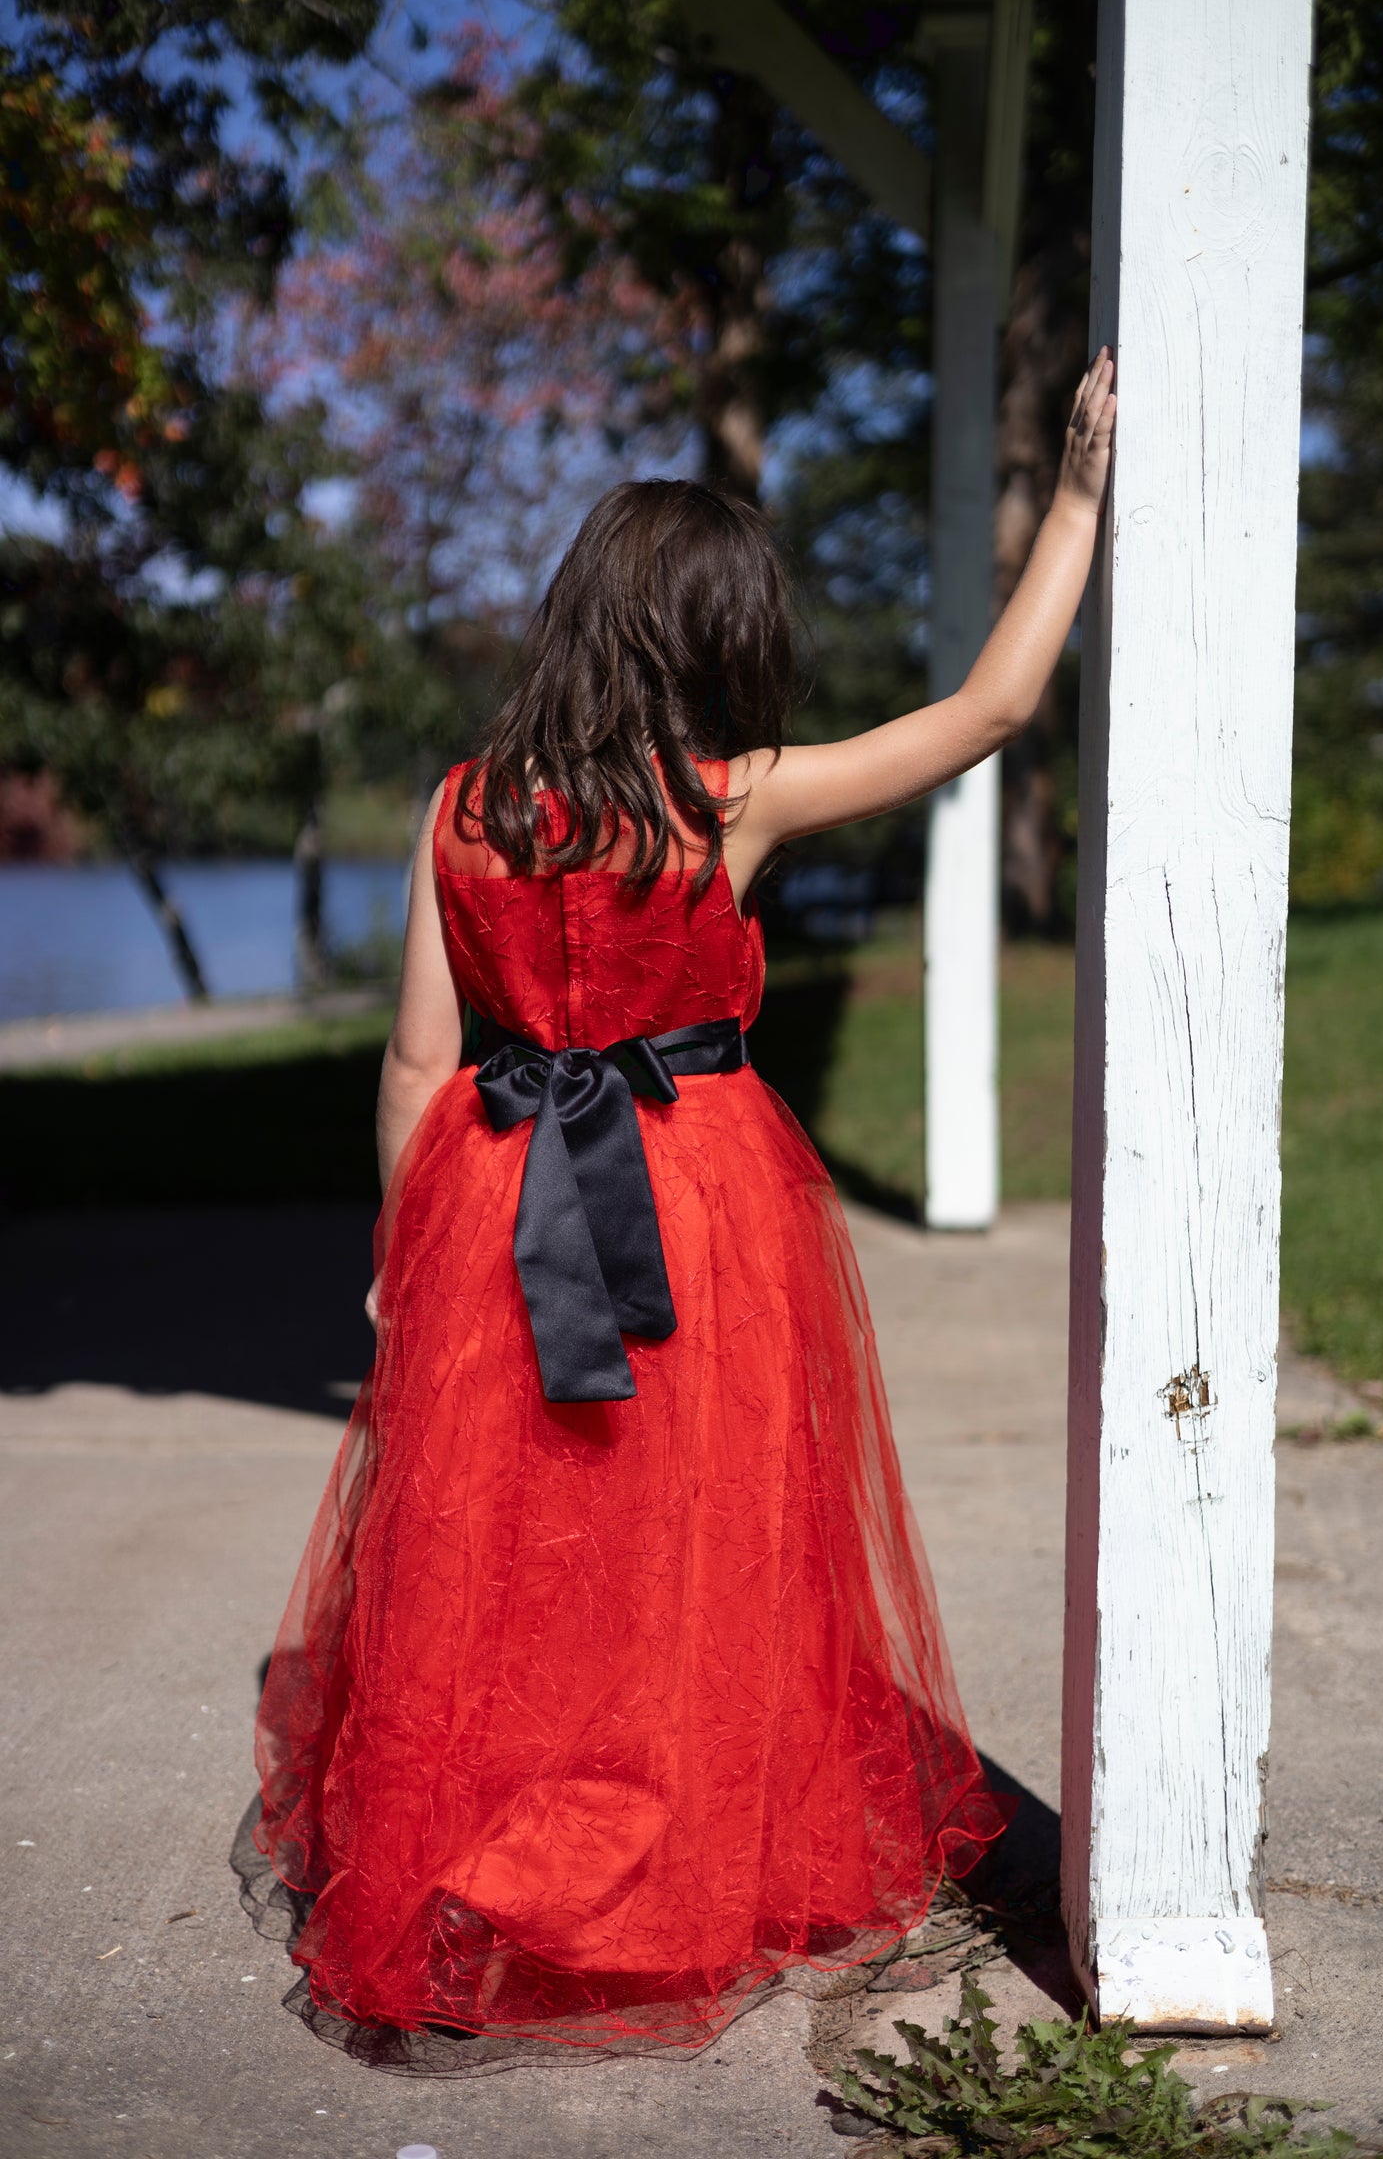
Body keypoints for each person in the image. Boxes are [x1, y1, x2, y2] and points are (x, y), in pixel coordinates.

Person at [243, 351, 1117, 2071]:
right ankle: (668, 1849)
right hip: (695, 1191)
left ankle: (496, 1849)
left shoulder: (463, 808)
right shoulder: (731, 797)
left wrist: (396, 1259)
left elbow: (422, 1068)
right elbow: (987, 715)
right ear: (715, 637)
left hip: (498, 1198)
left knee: (508, 1555)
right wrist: (1078, 502)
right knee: (702, 1536)